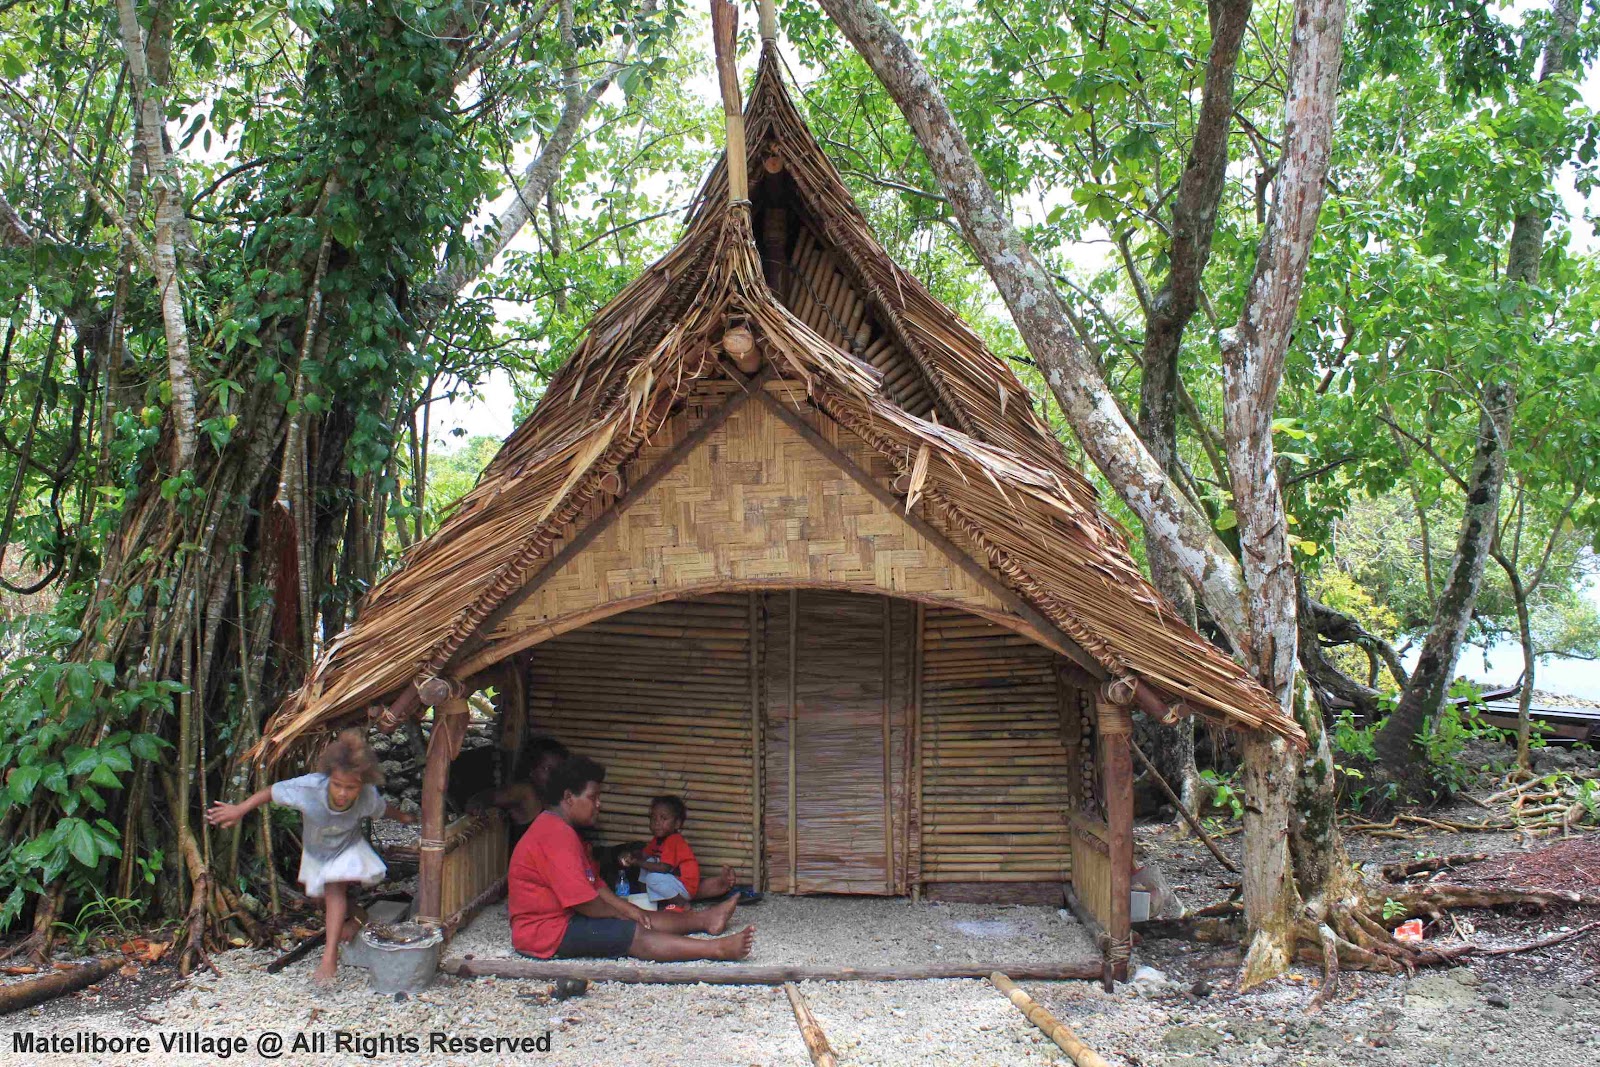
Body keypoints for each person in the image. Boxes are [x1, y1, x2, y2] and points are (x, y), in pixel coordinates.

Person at [207, 728, 415, 985]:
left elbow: (383, 810)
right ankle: (358, 915)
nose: (342, 793)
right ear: (328, 778)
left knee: (334, 890)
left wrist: (404, 817)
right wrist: (239, 809)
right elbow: (271, 791)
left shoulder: (366, 796)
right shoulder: (308, 788)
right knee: (318, 897)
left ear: (361, 785)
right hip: (317, 852)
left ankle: (329, 957)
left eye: (350, 788)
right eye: (337, 785)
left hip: (347, 849)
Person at [507, 755, 755, 962]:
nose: (599, 804)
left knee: (640, 915)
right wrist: (622, 915)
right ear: (569, 797)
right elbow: (586, 903)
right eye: (593, 797)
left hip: (561, 921)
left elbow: (595, 885)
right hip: (544, 932)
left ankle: (706, 919)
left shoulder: (562, 830)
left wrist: (629, 909)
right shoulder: (554, 835)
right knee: (633, 932)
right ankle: (716, 949)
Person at [620, 795, 738, 908]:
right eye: (653, 818)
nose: (657, 822)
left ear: (677, 824)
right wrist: (630, 855)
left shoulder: (673, 840)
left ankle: (682, 904)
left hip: (685, 887)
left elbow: (664, 868)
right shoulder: (657, 840)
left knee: (652, 878)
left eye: (663, 818)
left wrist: (637, 862)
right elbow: (644, 855)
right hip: (674, 882)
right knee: (649, 862)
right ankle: (644, 898)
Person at [466, 736, 569, 842]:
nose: (554, 775)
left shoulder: (551, 797)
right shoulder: (526, 792)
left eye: (559, 769)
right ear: (531, 769)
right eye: (547, 768)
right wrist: (479, 803)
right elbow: (489, 797)